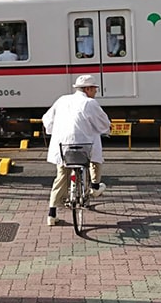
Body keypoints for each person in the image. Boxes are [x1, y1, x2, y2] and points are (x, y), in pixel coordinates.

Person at [42, 74, 111, 227]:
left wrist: (54, 130)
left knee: (61, 176)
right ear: (87, 89)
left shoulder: (62, 100)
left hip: (62, 147)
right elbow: (103, 124)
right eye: (94, 89)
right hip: (84, 148)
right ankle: (94, 187)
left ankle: (52, 214)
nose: (95, 92)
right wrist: (106, 129)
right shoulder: (90, 103)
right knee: (95, 159)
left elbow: (47, 119)